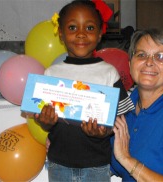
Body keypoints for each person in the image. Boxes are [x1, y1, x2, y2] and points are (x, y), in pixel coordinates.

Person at [33, 1, 134, 181]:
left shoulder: (109, 73)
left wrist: (103, 132)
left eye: (89, 27)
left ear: (99, 33)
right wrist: (45, 122)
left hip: (97, 164)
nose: (81, 34)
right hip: (58, 163)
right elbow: (45, 121)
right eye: (72, 27)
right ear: (61, 34)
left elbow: (120, 120)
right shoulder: (51, 73)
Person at [110, 28, 163, 181]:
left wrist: (127, 159)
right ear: (130, 65)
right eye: (141, 55)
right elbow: (108, 164)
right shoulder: (122, 108)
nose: (149, 62)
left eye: (160, 57)